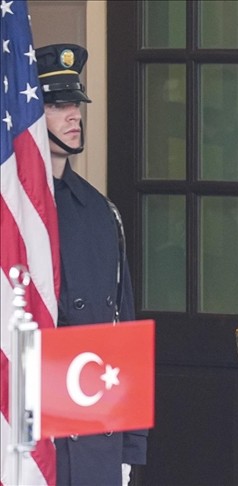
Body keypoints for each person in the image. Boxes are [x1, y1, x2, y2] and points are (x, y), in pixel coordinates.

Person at [36, 43, 147, 485]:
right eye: (57, 106)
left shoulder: (100, 211)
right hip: (29, 433)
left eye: (76, 105)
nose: (74, 116)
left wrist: (130, 446)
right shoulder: (12, 215)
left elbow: (123, 329)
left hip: (93, 428)